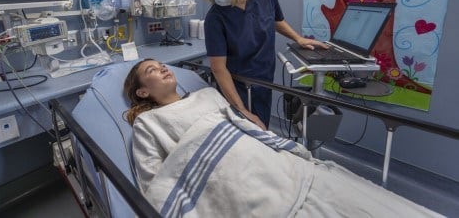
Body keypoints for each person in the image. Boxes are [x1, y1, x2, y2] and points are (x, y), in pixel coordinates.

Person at [123, 59, 441, 218]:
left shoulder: (208, 94)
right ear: (142, 91)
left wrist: (249, 120)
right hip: (232, 180)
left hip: (268, 163)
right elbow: (155, 181)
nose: (162, 67)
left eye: (161, 64)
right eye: (152, 70)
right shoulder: (149, 123)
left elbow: (238, 125)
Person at [195, 0, 328, 130]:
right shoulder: (215, 18)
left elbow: (274, 20)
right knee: (246, 133)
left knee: (262, 126)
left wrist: (298, 38)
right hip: (238, 88)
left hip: (264, 79)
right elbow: (218, 69)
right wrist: (241, 110)